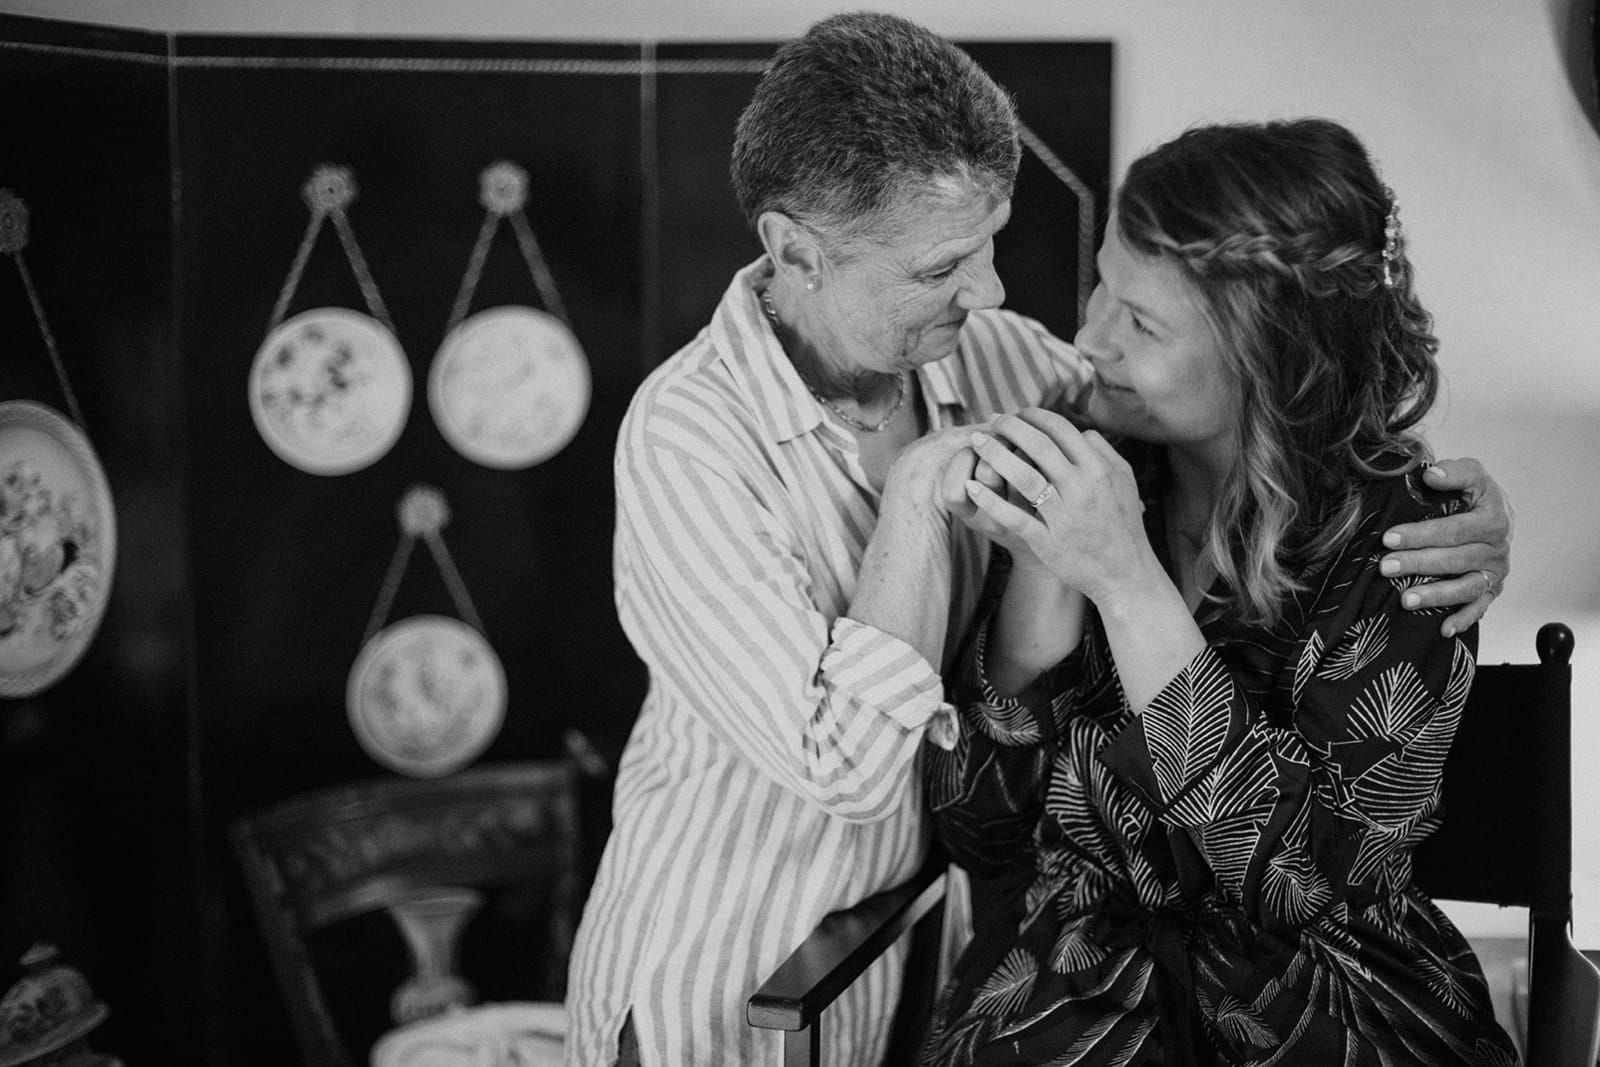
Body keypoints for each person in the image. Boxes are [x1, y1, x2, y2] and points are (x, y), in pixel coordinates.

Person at [565, 15, 1514, 1066]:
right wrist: (968, 525)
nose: (1007, 300)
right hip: (734, 956)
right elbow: (913, 789)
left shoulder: (1028, 380)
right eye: (942, 268)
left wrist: (1467, 512)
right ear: (796, 250)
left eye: (994, 246)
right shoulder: (688, 438)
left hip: (1169, 998)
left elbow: (1300, 871)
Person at [919, 118, 1519, 1065]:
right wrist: (1045, 564)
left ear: (1266, 353)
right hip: (1072, 995)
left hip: (1324, 1007)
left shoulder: (1407, 543)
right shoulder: (1096, 470)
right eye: (1103, 289)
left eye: (1142, 321)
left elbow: (1298, 885)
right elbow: (980, 836)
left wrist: (1125, 581)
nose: (1089, 337)